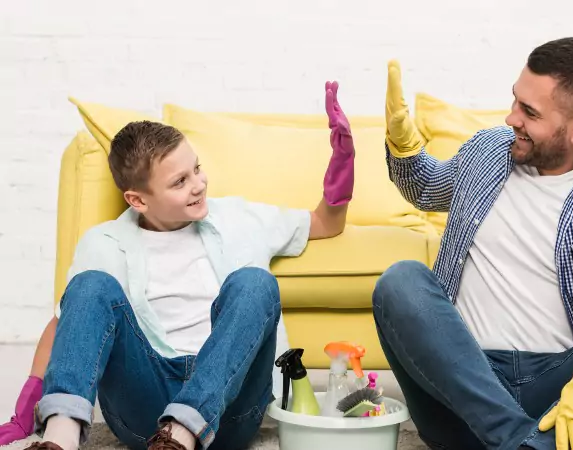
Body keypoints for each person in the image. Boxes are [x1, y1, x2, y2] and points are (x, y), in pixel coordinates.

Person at [374, 38, 573, 450]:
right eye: (515, 101)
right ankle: (523, 444)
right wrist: (404, 147)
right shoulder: (489, 152)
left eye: (529, 112)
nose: (511, 118)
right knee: (401, 282)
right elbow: (429, 188)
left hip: (564, 393)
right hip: (466, 384)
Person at [21, 80, 356, 450]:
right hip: (144, 411)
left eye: (196, 169)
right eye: (180, 181)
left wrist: (342, 166)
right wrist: (26, 408)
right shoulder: (104, 243)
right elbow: (67, 324)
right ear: (138, 200)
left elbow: (326, 223)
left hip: (228, 409)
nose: (198, 185)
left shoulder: (239, 218)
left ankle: (183, 432)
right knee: (89, 285)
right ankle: (60, 437)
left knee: (255, 283)